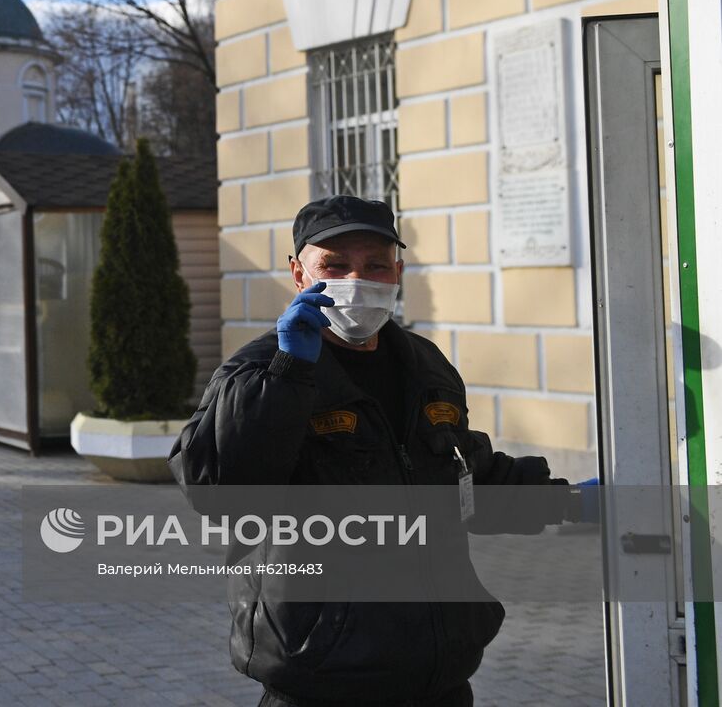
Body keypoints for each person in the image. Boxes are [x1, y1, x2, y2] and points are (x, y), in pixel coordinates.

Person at [168, 196, 592, 707]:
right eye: (335, 264)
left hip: (436, 677)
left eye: (374, 265)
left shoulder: (424, 365)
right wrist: (287, 377)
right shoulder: (256, 372)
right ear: (299, 273)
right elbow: (224, 494)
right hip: (324, 678)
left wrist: (566, 501)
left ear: (398, 271)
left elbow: (463, 475)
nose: (356, 279)